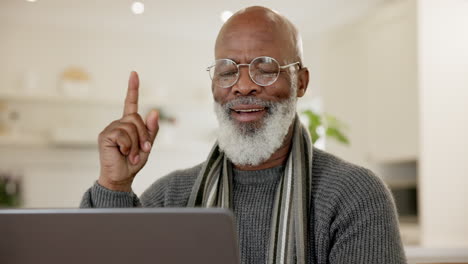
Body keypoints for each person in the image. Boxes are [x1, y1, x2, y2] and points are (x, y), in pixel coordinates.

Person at [81, 6, 406, 264]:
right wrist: (114, 185)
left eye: (264, 69)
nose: (243, 85)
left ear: (301, 82)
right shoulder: (171, 197)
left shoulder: (354, 196)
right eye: (227, 71)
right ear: (214, 86)